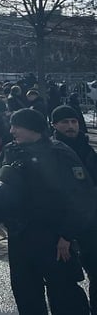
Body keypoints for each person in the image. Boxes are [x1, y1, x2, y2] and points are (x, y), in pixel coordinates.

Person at [0, 108, 94, 315]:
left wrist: (67, 234)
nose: (12, 130)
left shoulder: (59, 152)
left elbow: (82, 197)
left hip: (53, 237)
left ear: (33, 128)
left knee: (64, 294)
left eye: (17, 126)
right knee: (26, 292)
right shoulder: (10, 150)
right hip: (20, 235)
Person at [51, 105, 97, 315]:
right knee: (66, 281)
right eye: (65, 122)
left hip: (91, 224)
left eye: (74, 121)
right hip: (62, 226)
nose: (70, 126)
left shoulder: (88, 151)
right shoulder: (51, 151)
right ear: (54, 125)